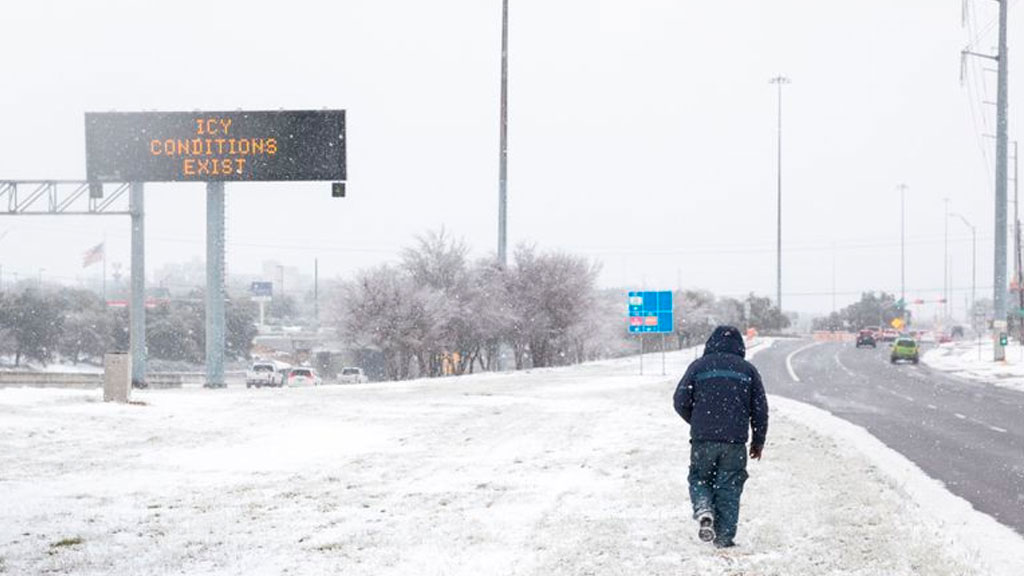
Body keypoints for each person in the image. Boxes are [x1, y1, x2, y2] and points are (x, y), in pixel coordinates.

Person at [673, 325, 768, 548]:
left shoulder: (698, 367)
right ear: (740, 346)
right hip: (734, 442)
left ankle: (704, 509)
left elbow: (679, 401)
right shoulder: (748, 370)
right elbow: (760, 409)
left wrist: (698, 421)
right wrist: (758, 440)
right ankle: (724, 538)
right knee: (729, 486)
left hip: (703, 439)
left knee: (700, 477)